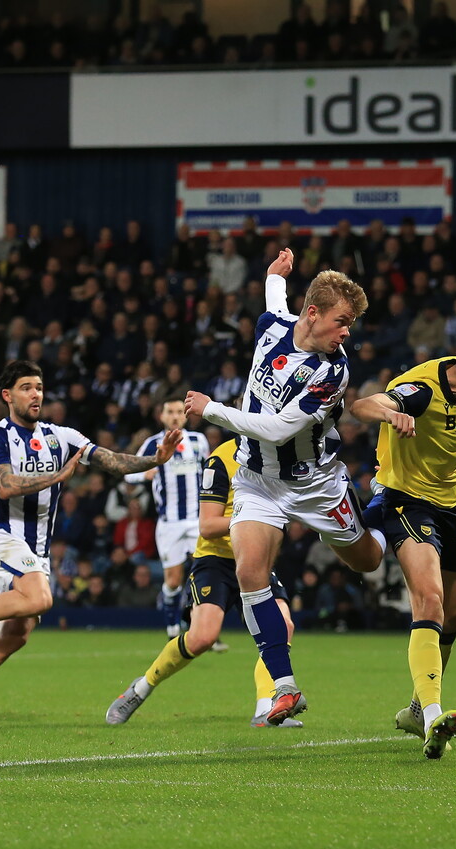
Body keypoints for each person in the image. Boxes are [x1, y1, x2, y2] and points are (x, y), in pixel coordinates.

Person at [0, 359, 183, 724]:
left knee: (16, 637)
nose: (35, 394)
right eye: (26, 387)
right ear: (8, 396)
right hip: (3, 539)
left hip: (37, 551)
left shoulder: (62, 436)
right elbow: (5, 485)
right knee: (42, 597)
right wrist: (59, 476)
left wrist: (156, 458)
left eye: (39, 387)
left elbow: (112, 461)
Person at [185, 249, 386, 726]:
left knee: (369, 561)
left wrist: (212, 409)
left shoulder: (332, 372)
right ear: (311, 313)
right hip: (257, 481)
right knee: (251, 571)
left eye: (351, 324)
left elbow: (275, 430)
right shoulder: (275, 325)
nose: (347, 332)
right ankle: (285, 687)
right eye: (342, 321)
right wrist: (274, 274)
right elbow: (276, 298)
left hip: (314, 484)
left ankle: (384, 501)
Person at [350, 329, 456, 758]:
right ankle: (432, 717)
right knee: (430, 601)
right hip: (406, 502)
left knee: (455, 614)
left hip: (448, 505)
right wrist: (391, 415)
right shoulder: (423, 390)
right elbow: (363, 405)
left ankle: (413, 708)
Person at [106, 438, 302, 728]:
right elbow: (208, 527)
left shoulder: (283, 457)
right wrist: (253, 516)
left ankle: (265, 707)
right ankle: (140, 688)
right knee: (202, 638)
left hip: (255, 556)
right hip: (216, 560)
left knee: (283, 625)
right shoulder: (221, 459)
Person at [125, 399, 213, 640]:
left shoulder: (198, 441)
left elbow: (211, 470)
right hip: (169, 522)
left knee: (205, 574)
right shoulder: (153, 444)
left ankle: (201, 627)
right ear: (161, 416)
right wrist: (145, 472)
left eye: (178, 412)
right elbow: (129, 474)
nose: (174, 416)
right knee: (173, 581)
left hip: (197, 521)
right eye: (169, 412)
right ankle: (172, 627)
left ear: (185, 416)